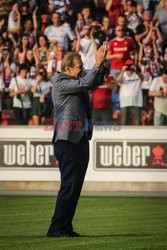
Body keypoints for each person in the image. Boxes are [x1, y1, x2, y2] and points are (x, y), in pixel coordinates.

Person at [46, 42, 107, 238]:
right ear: (68, 68)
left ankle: (65, 227)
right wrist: (96, 64)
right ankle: (56, 228)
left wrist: (101, 63)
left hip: (79, 138)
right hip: (67, 140)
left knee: (75, 187)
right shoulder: (61, 82)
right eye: (80, 66)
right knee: (69, 186)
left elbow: (94, 80)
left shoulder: (75, 79)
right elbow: (87, 82)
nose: (82, 69)